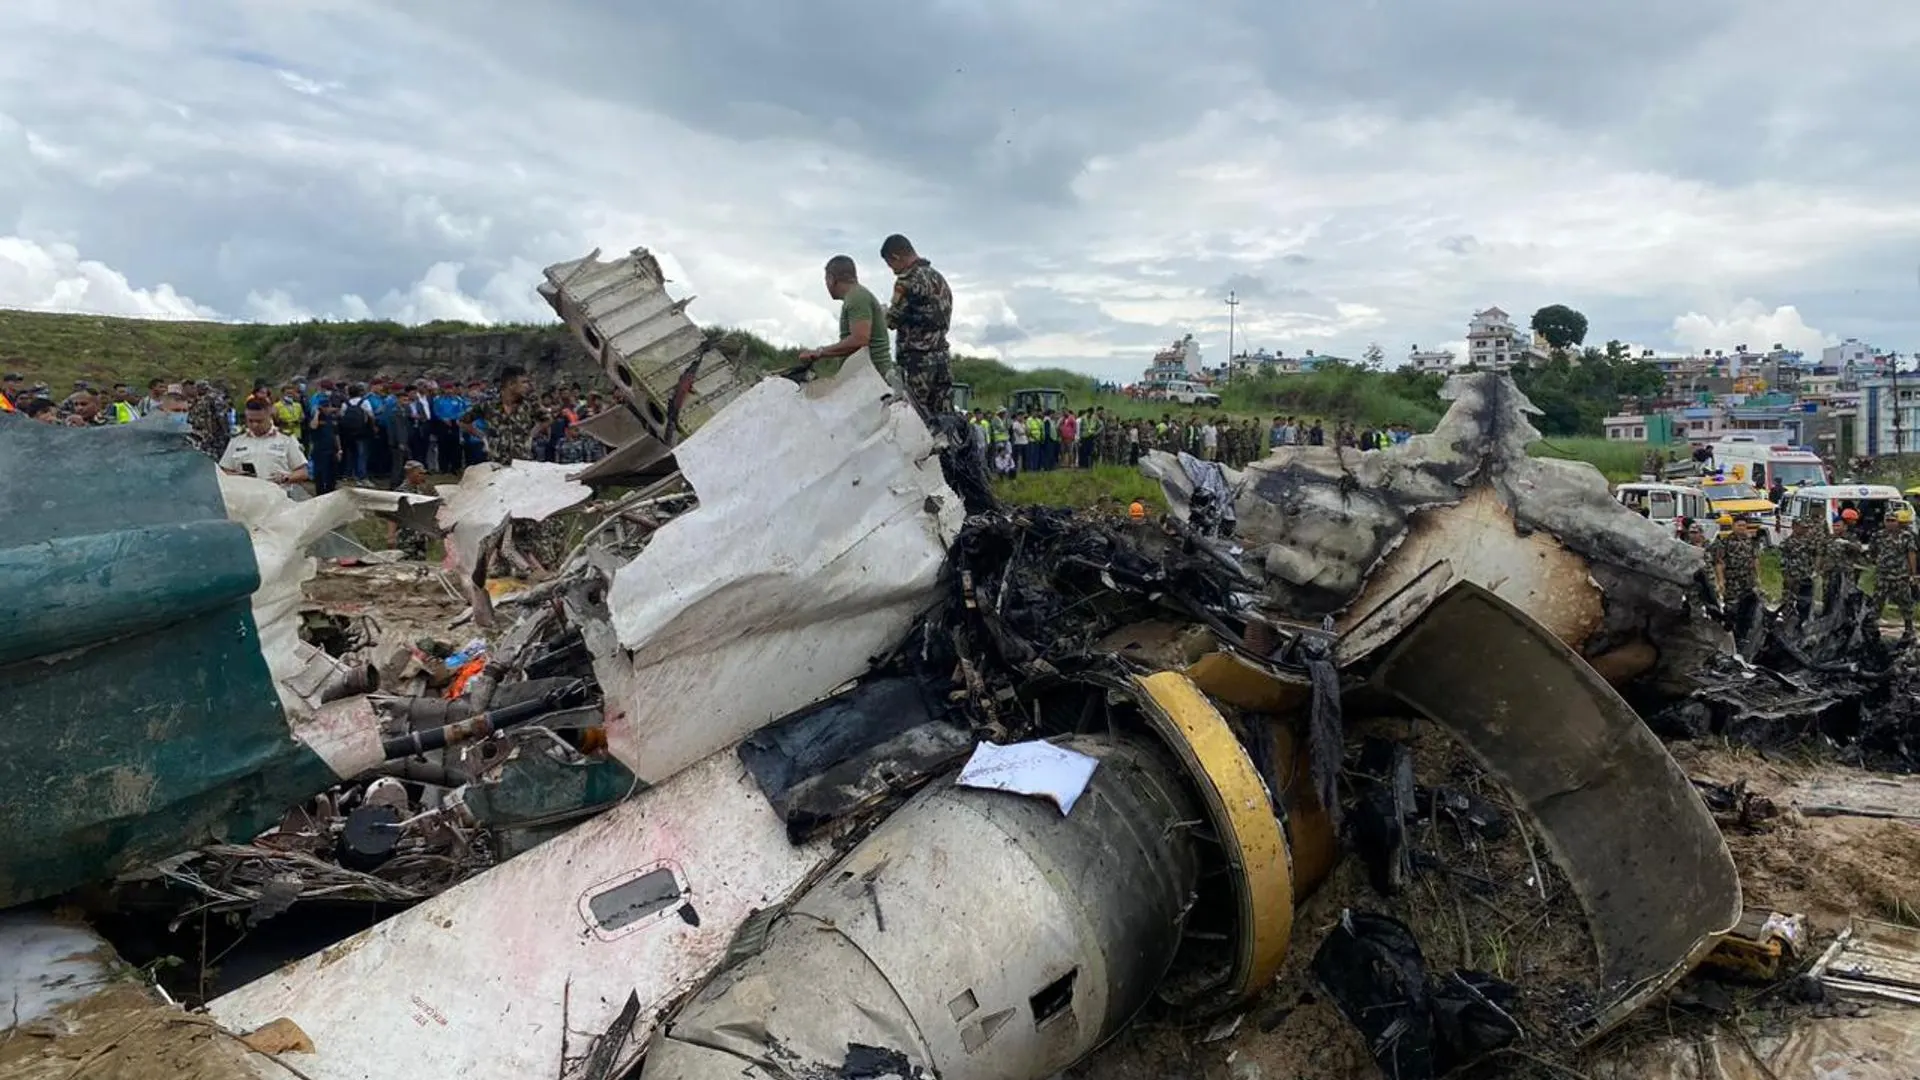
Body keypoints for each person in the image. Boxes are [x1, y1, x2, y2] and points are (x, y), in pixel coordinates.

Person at [879, 234, 953, 419]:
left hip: (917, 363)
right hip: (942, 358)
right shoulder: (939, 278)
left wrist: (881, 312)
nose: (893, 271)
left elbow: (892, 321)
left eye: (891, 265)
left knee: (916, 418)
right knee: (944, 420)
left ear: (896, 257)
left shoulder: (908, 280)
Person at [797, 256, 891, 376]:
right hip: (865, 378)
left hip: (874, 380)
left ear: (831, 279)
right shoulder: (856, 296)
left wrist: (819, 352)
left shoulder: (856, 297)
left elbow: (860, 339)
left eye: (826, 279)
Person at [220, 399, 310, 488]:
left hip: (277, 497)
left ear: (269, 416)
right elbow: (224, 471)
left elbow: (303, 472)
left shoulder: (286, 439)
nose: (254, 425)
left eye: (259, 421)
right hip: (245, 496)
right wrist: (237, 477)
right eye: (250, 421)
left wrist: (286, 478)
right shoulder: (237, 439)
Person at [1869, 508, 1918, 643]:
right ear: (1884, 522)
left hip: (1900, 576)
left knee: (1905, 603)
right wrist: (1877, 563)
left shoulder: (1906, 536)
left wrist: (1913, 574)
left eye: (1893, 521)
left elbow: (1911, 554)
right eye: (1888, 521)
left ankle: (1908, 630)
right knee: (1877, 603)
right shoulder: (1878, 536)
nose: (1890, 523)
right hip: (1883, 576)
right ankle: (1872, 629)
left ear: (1898, 522)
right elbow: (1872, 552)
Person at [1778, 516, 1824, 621]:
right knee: (1788, 602)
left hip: (1806, 577)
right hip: (1792, 578)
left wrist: (1815, 570)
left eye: (1807, 528)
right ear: (1794, 527)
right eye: (1803, 527)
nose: (1805, 530)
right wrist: (1786, 576)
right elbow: (1782, 562)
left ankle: (1803, 622)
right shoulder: (1786, 543)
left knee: (1806, 603)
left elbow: (1817, 554)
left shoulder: (1809, 542)